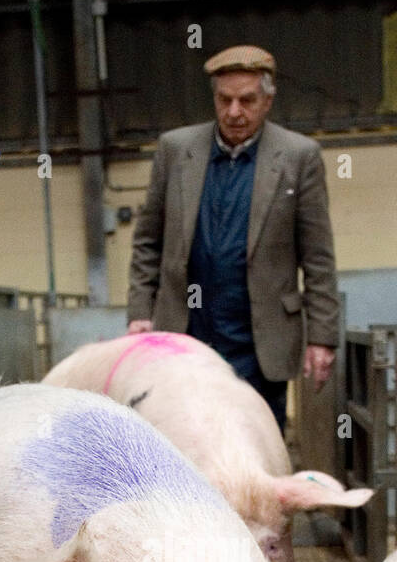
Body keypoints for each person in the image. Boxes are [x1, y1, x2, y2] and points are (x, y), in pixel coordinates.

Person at [126, 45, 340, 430]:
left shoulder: (298, 156)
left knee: (255, 439)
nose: (234, 112)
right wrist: (141, 311)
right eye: (224, 100)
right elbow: (147, 241)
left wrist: (322, 337)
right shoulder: (176, 151)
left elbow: (318, 256)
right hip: (186, 334)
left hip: (260, 342)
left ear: (268, 99)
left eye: (247, 100)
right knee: (185, 438)